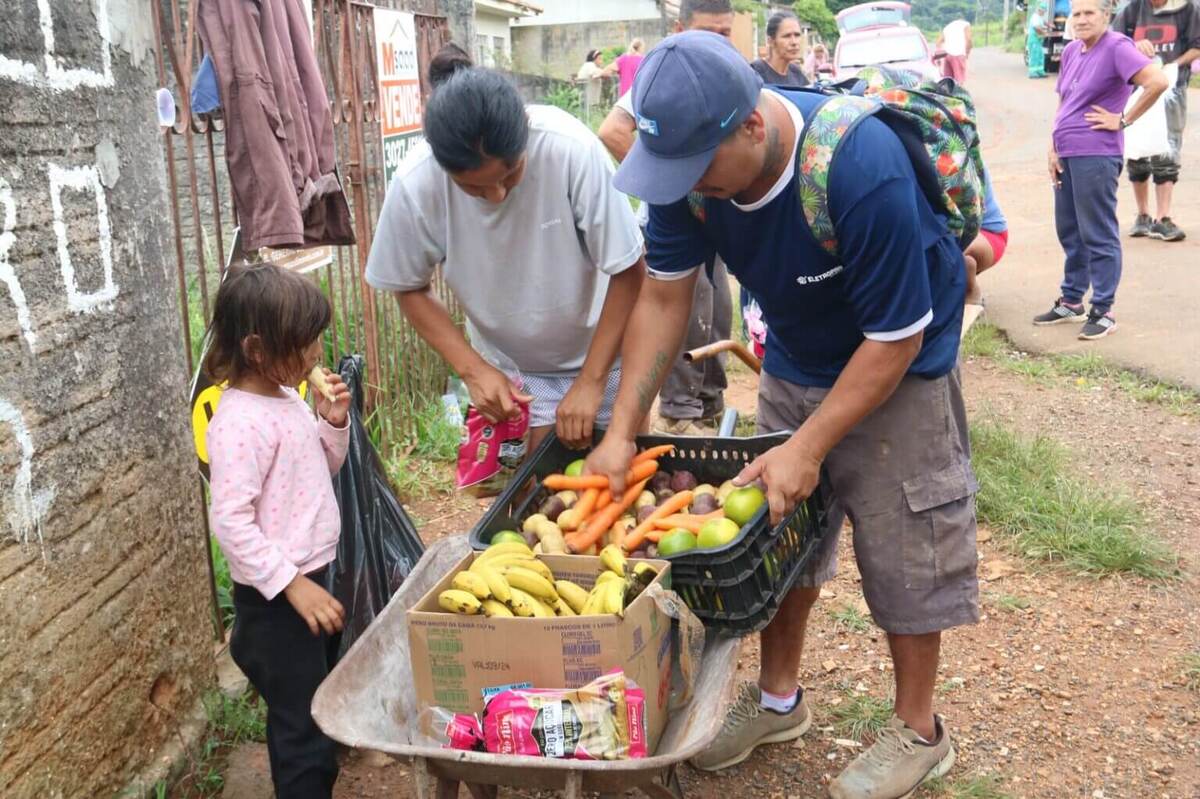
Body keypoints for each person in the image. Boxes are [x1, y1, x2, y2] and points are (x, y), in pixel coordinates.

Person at [591, 31, 977, 798]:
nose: (686, 187)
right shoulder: (690, 179)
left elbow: (894, 337)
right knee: (780, 546)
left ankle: (919, 730)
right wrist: (620, 430)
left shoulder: (859, 165)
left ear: (752, 128)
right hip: (799, 357)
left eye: (698, 168)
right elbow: (665, 299)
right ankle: (778, 701)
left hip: (900, 367)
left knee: (906, 545)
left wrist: (810, 443)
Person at [365, 65, 645, 452]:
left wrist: (592, 381)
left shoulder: (570, 149)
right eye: (473, 188)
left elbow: (629, 268)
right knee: (531, 494)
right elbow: (407, 285)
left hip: (606, 357)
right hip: (511, 373)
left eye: (510, 173)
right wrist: (473, 369)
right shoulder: (417, 183)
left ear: (525, 133)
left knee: (627, 476)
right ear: (442, 166)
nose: (497, 196)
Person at [205, 263, 353, 799]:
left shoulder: (285, 397)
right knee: (302, 732)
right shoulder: (240, 424)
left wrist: (332, 423)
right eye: (306, 342)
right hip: (277, 603)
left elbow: (316, 471)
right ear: (258, 350)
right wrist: (292, 584)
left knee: (317, 702)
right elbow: (230, 522)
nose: (317, 353)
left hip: (311, 578)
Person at [598, 0, 736, 435]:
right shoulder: (666, 78)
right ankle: (679, 413)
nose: (716, 42)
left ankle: (709, 404)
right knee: (683, 313)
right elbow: (612, 130)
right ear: (679, 27)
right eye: (706, 30)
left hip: (712, 212)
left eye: (724, 33)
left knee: (716, 312)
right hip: (677, 222)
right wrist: (674, 184)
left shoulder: (722, 72)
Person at [1036, 0, 1167, 340]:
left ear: (1106, 16)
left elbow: (1157, 82)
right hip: (1066, 153)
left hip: (1096, 153)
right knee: (1070, 230)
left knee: (1097, 232)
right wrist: (1054, 146)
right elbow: (1064, 102)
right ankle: (1072, 300)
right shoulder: (1071, 52)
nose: (1081, 20)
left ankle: (1103, 309)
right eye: (1077, 14)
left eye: (1089, 13)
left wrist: (1122, 120)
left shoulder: (1117, 47)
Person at [1112, 0, 1200, 242]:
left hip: (1172, 87)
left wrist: (1174, 64)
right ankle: (1143, 215)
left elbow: (1197, 46)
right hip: (1136, 89)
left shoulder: (1188, 9)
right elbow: (1112, 44)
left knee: (1168, 147)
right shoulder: (1132, 9)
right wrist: (1133, 45)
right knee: (1137, 149)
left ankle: (1162, 218)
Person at [964, 168, 1008, 306]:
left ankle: (970, 292)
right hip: (959, 232)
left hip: (987, 233)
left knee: (945, 252)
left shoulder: (958, 157)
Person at [751, 10, 810, 87]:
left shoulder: (796, 73)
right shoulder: (756, 72)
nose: (794, 42)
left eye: (797, 35)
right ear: (771, 41)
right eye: (787, 36)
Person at [1027, 2, 1051, 78]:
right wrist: (1044, 33)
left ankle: (1040, 71)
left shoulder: (1040, 17)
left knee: (1040, 56)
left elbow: (1043, 22)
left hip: (1038, 41)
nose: (1044, 13)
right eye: (1043, 11)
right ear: (1039, 10)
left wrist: (1049, 25)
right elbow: (1036, 27)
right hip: (1034, 40)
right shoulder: (1035, 17)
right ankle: (1032, 72)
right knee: (1034, 56)